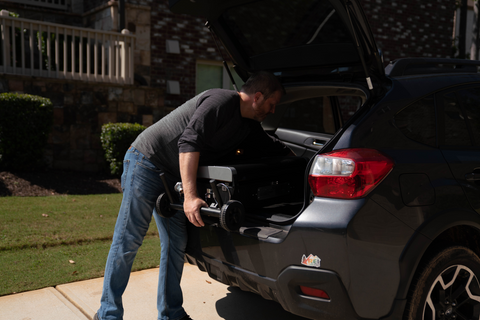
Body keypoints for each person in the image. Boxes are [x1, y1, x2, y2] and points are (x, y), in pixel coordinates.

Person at [94, 71, 292, 320]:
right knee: (128, 240)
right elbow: (189, 141)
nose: (273, 111)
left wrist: (305, 163)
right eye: (272, 104)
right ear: (258, 97)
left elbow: (273, 148)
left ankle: (170, 313)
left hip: (173, 177)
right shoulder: (220, 101)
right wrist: (190, 196)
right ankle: (108, 314)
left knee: (175, 244)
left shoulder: (248, 126)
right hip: (146, 161)